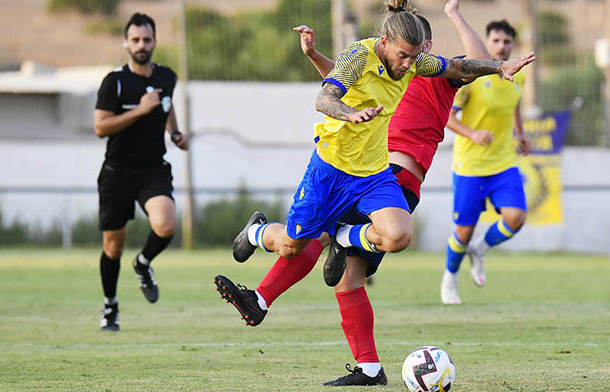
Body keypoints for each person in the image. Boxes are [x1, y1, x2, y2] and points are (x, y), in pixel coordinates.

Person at [213, 0, 535, 386]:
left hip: (390, 175)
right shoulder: (376, 62)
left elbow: (470, 63)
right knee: (320, 253)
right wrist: (318, 60)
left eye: (420, 50)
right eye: (406, 51)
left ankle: (286, 290)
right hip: (349, 167)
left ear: (427, 48)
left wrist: (455, 17)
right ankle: (350, 353)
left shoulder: (431, 75)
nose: (412, 58)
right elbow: (338, 84)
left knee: (348, 260)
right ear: (391, 43)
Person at [93, 13, 189, 331]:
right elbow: (100, 127)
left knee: (165, 224)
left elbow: (167, 103)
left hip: (152, 169)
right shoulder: (115, 82)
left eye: (147, 39)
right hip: (117, 171)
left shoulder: (166, 77)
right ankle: (110, 306)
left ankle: (143, 262)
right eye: (135, 40)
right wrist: (139, 110)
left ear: (155, 42)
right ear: (126, 43)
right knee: (113, 247)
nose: (141, 45)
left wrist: (175, 132)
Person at [440, 19, 530, 305]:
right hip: (471, 166)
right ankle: (449, 278)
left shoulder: (519, 76)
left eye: (507, 42)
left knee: (516, 217)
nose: (502, 47)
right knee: (464, 230)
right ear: (486, 43)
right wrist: (473, 134)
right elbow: (447, 118)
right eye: (496, 41)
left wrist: (521, 134)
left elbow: (514, 104)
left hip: (504, 162)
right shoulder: (472, 78)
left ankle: (480, 250)